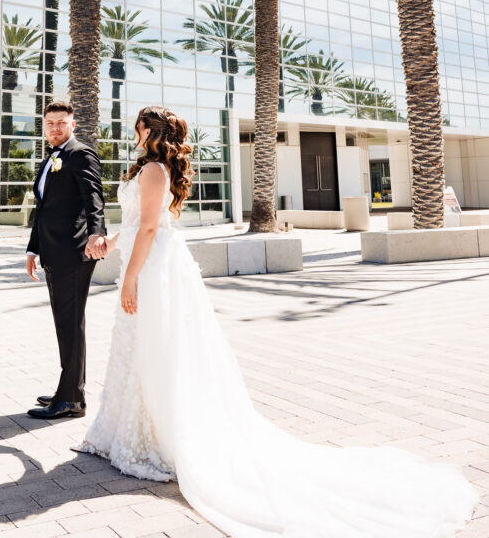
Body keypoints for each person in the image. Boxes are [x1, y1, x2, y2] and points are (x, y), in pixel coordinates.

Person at [73, 105, 479, 538]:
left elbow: (151, 229)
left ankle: (156, 435)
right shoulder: (148, 169)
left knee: (153, 348)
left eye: (137, 126)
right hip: (145, 260)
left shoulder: (154, 170)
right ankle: (127, 429)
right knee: (138, 347)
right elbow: (137, 225)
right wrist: (108, 242)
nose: (133, 132)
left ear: (147, 130)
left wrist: (131, 276)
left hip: (153, 269)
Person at [25, 101, 107, 420]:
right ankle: (69, 390)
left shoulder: (80, 154)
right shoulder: (50, 159)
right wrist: (33, 250)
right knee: (65, 323)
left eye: (62, 122)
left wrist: (97, 234)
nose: (56, 127)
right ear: (44, 127)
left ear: (73, 124)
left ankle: (71, 398)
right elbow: (42, 210)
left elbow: (94, 198)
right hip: (51, 251)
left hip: (74, 251)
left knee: (70, 323)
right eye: (50, 123)